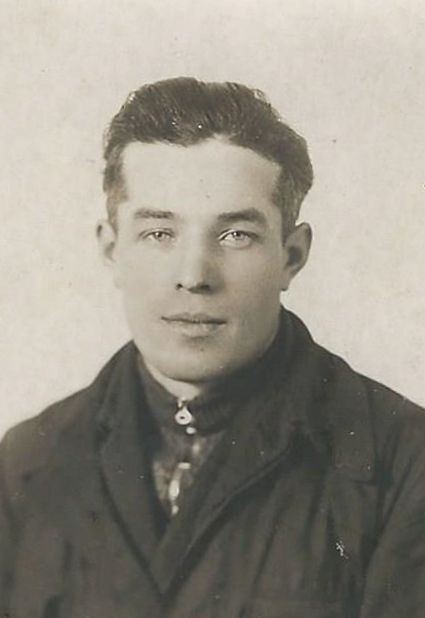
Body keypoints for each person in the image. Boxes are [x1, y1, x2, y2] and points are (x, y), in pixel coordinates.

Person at [1, 77, 424, 618]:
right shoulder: (29, 463)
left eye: (235, 235)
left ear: (292, 256)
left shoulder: (404, 462)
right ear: (112, 250)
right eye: (159, 233)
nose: (194, 275)